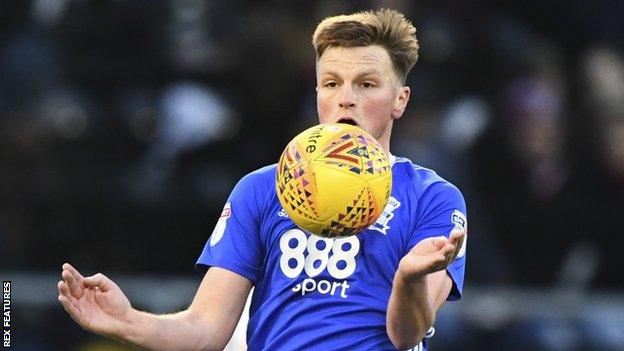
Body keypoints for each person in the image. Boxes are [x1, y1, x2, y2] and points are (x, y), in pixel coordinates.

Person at [58, 9, 467, 351]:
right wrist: (129, 322)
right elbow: (206, 329)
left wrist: (409, 278)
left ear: (400, 100)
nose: (346, 97)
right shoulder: (261, 189)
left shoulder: (434, 198)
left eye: (367, 84)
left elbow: (406, 334)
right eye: (331, 83)